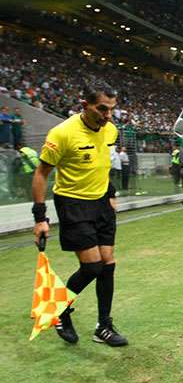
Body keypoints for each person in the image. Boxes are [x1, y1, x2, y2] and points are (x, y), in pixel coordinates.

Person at [31, 83, 128, 347]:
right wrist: (40, 217)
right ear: (84, 105)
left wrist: (110, 193)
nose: (108, 115)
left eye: (111, 109)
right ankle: (59, 309)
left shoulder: (110, 130)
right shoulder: (62, 133)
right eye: (102, 109)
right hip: (73, 204)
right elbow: (41, 174)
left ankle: (103, 327)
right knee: (93, 266)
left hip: (101, 204)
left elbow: (101, 163)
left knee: (108, 265)